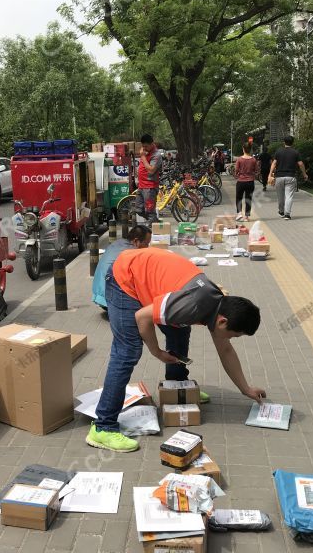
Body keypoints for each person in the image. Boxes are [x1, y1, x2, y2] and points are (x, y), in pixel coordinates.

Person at [86, 249, 266, 452]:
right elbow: (142, 317)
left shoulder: (217, 305)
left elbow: (225, 351)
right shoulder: (194, 306)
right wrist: (156, 351)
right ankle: (103, 427)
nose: (231, 339)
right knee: (127, 352)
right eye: (234, 335)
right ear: (223, 321)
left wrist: (246, 389)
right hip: (125, 278)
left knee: (180, 331)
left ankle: (177, 389)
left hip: (151, 278)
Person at [92, 225, 152, 309]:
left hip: (98, 295)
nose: (148, 247)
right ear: (136, 241)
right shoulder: (131, 252)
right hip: (110, 298)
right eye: (146, 243)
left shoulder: (117, 243)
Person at [269, 135, 308, 220]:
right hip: (291, 177)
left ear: (284, 142)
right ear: (292, 143)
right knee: (289, 196)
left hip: (279, 177)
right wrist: (304, 174)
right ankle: (287, 214)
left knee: (280, 196)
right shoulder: (295, 152)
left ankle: (281, 211)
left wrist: (270, 174)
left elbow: (274, 163)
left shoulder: (278, 152)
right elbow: (300, 164)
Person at [135, 134, 162, 224]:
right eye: (143, 146)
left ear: (152, 144)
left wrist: (142, 157)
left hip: (150, 187)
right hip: (141, 185)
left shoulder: (156, 155)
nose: (144, 148)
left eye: (146, 146)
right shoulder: (146, 152)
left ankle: (153, 221)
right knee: (138, 209)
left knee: (149, 210)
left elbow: (151, 170)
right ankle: (153, 219)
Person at [234, 143, 259, 222]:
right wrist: (253, 175)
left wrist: (237, 176)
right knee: (248, 198)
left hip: (241, 181)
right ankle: (247, 217)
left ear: (243, 149)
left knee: (239, 198)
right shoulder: (253, 160)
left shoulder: (239, 159)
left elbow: (236, 170)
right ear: (250, 149)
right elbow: (257, 170)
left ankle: (239, 214)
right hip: (250, 182)